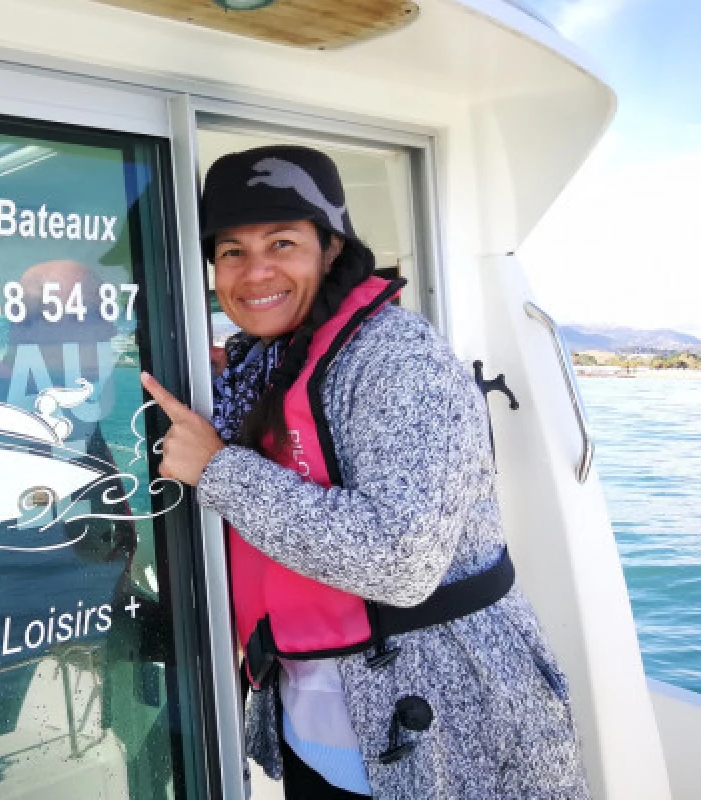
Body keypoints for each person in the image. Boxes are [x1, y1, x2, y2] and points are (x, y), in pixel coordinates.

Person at [140, 145, 589, 799]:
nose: (254, 270)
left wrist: (218, 469)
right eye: (231, 250)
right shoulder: (259, 365)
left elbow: (401, 561)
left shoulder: (397, 356)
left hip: (448, 736)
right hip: (314, 727)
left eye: (283, 242)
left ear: (331, 250)